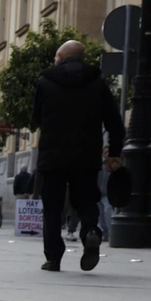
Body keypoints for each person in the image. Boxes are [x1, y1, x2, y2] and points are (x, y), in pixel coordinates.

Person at [31, 39, 125, 272]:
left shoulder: (45, 81)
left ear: (61, 57)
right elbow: (115, 123)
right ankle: (91, 231)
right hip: (86, 155)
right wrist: (114, 153)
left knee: (52, 206)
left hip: (52, 157)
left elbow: (35, 118)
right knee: (86, 200)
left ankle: (53, 257)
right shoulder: (98, 82)